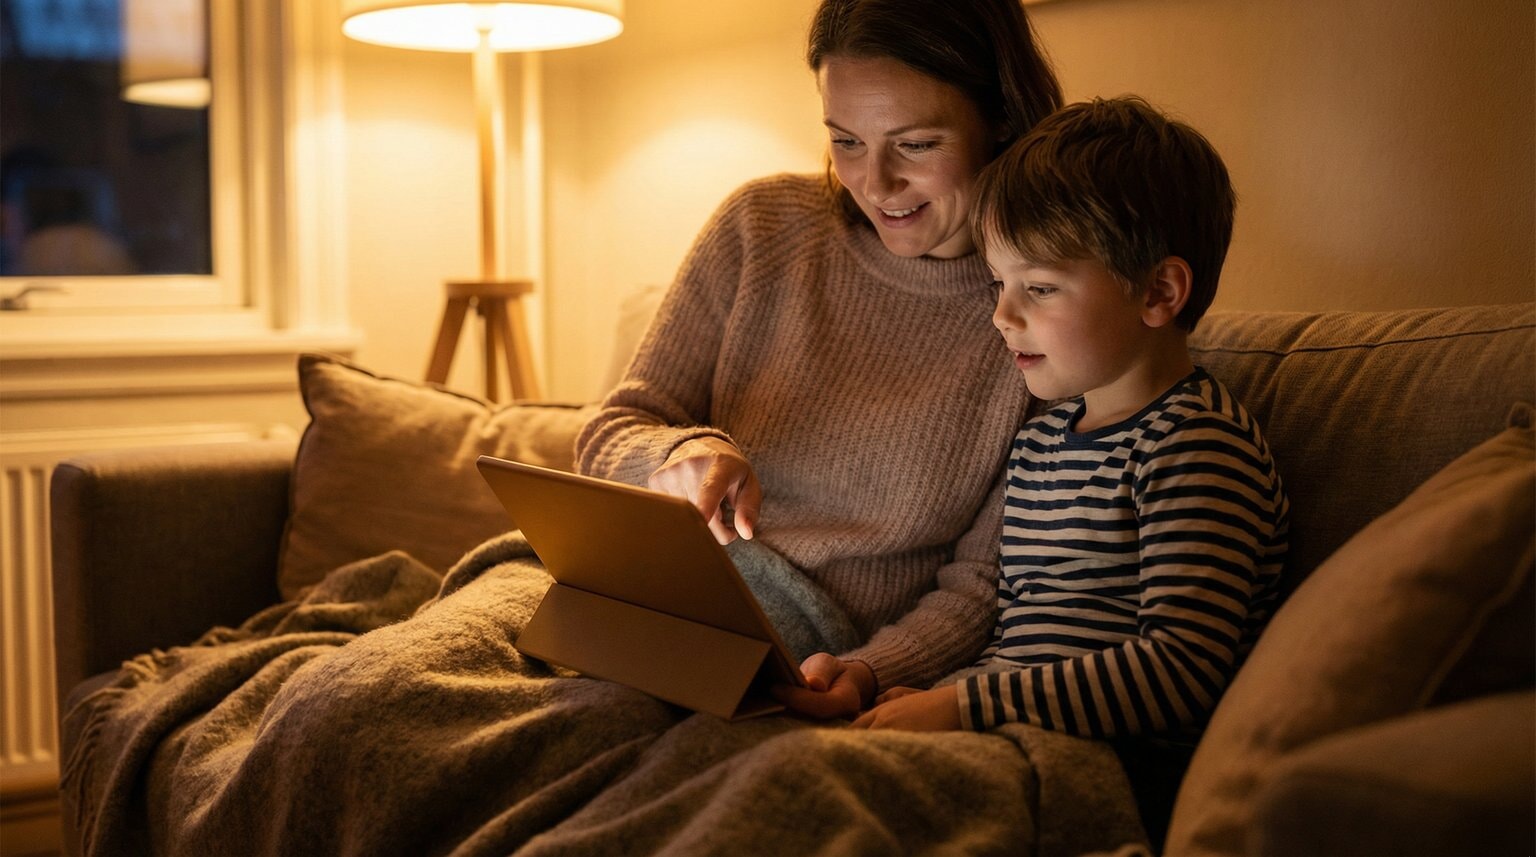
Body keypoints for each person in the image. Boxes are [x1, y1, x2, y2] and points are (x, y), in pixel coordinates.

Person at [575, 0, 1062, 721]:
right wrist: (680, 454)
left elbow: (981, 586)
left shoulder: (1044, 318)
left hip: (799, 657)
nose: (876, 182)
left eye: (917, 145)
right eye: (846, 141)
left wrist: (868, 671)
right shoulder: (761, 225)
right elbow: (612, 429)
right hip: (634, 596)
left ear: (1002, 122)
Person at [851, 94, 1288, 739]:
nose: (1004, 315)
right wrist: (943, 694)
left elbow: (1181, 669)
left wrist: (965, 708)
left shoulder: (1196, 447)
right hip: (999, 729)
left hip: (1081, 759)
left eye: (1041, 287)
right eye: (1000, 284)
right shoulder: (1040, 443)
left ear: (1158, 292)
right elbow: (1023, 641)